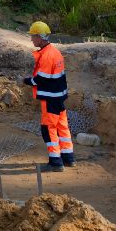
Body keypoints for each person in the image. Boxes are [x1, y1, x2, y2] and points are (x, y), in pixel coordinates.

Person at [22, 20, 74, 171]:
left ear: (40, 37)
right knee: (62, 127)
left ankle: (55, 162)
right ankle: (68, 158)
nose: (31, 39)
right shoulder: (55, 52)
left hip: (50, 98)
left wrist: (26, 81)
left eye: (33, 36)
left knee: (48, 129)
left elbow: (41, 79)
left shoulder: (46, 56)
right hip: (59, 97)